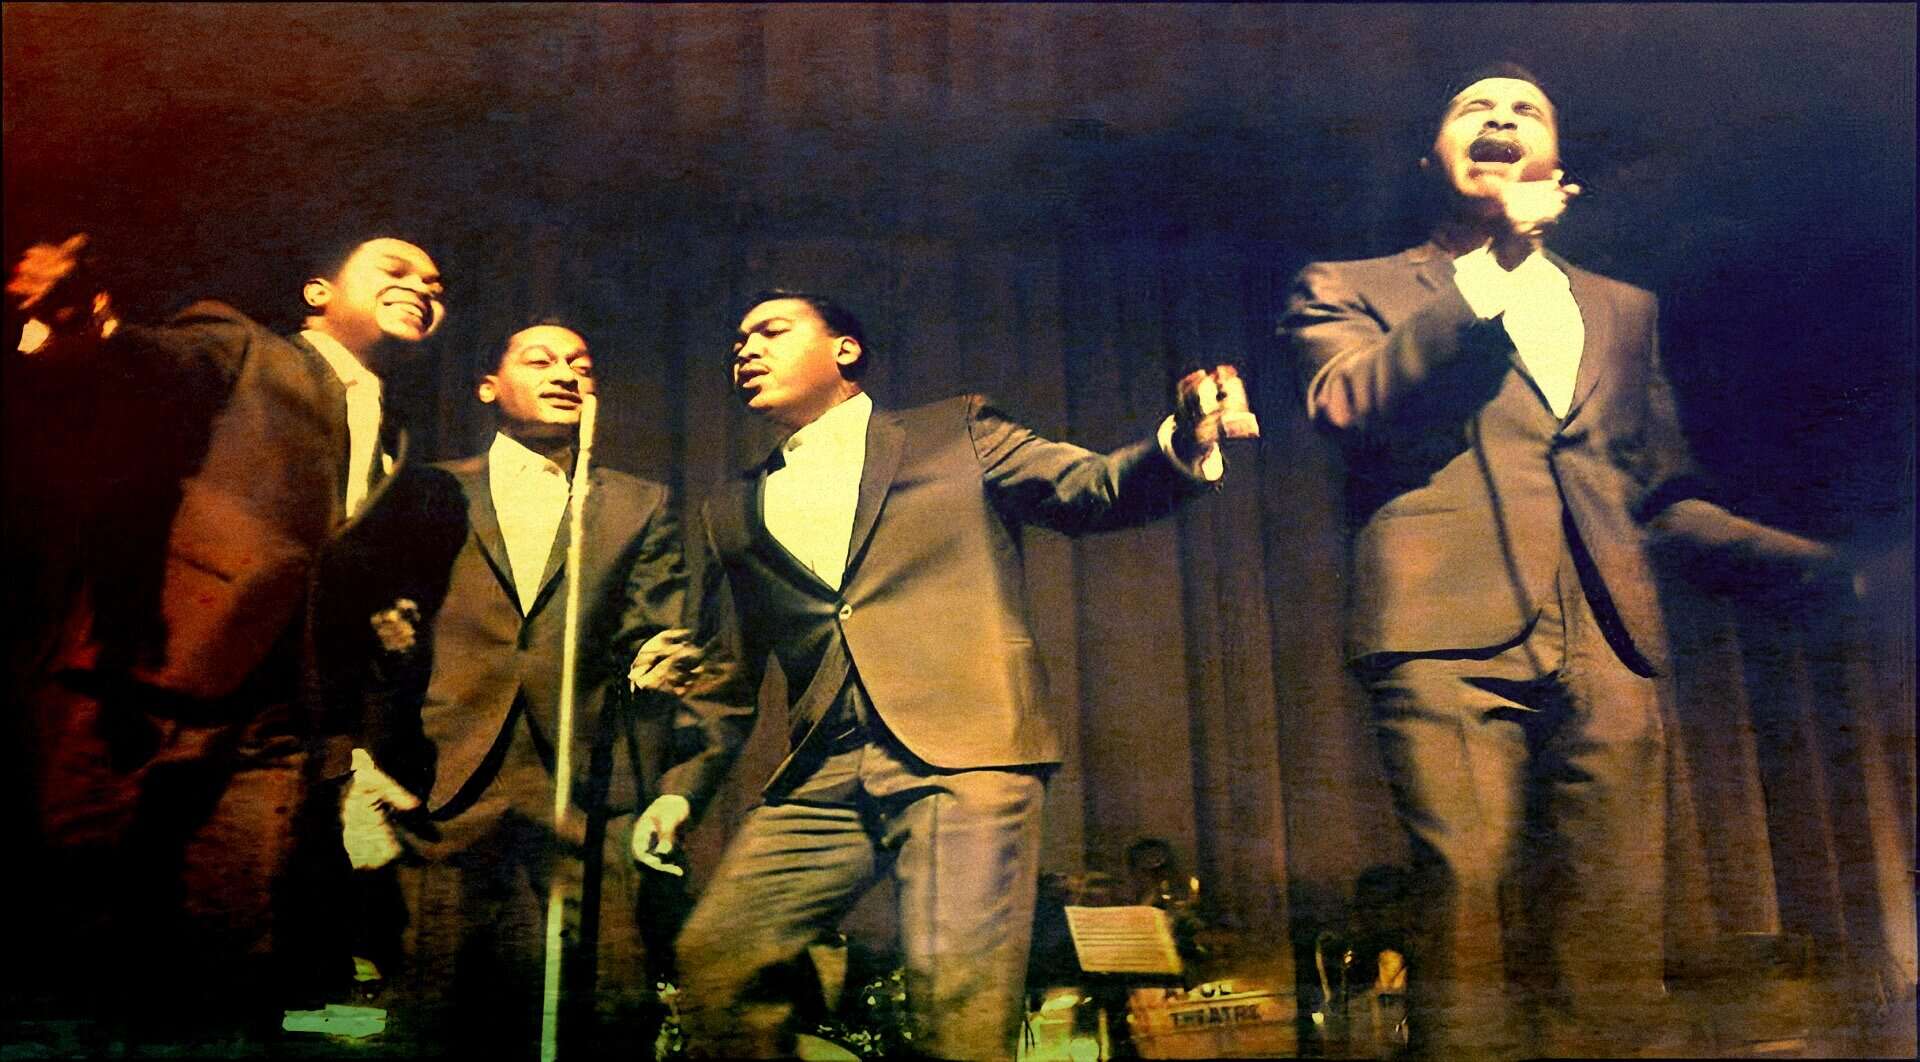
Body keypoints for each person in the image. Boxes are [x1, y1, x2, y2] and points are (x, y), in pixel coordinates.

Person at [1279, 63, 1843, 1060]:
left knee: (1613, 912)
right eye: (1473, 107)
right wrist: (1495, 263)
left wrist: (1822, 566)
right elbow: (1347, 403)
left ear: (1556, 161)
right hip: (1444, 635)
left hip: (1609, 635)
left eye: (1525, 110)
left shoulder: (1626, 311)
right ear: (1431, 157)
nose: (1500, 116)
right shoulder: (1349, 286)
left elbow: (1659, 496)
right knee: (1468, 885)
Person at [670, 289, 1258, 1058]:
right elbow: (728, 675)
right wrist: (678, 791)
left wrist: (1182, 443)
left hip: (967, 754)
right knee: (717, 957)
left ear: (844, 349)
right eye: (738, 340)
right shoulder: (733, 506)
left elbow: (1095, 489)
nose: (745, 349)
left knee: (956, 1006)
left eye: (772, 331)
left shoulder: (955, 431)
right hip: (824, 767)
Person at [6, 230, 447, 1046]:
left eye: (436, 283)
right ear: (319, 291)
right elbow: (149, 365)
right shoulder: (244, 346)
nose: (423, 285)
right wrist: (82, 323)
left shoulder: (401, 439)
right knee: (83, 937)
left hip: (280, 726)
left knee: (233, 949)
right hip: (147, 689)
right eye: (395, 268)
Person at [324, 319, 732, 1057]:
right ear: (489, 387)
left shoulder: (637, 504)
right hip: (444, 785)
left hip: (582, 792)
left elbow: (653, 627)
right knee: (437, 1012)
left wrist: (653, 662)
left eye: (580, 361)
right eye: (539, 359)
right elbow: (367, 620)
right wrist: (358, 756)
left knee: (600, 1014)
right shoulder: (430, 489)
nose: (564, 371)